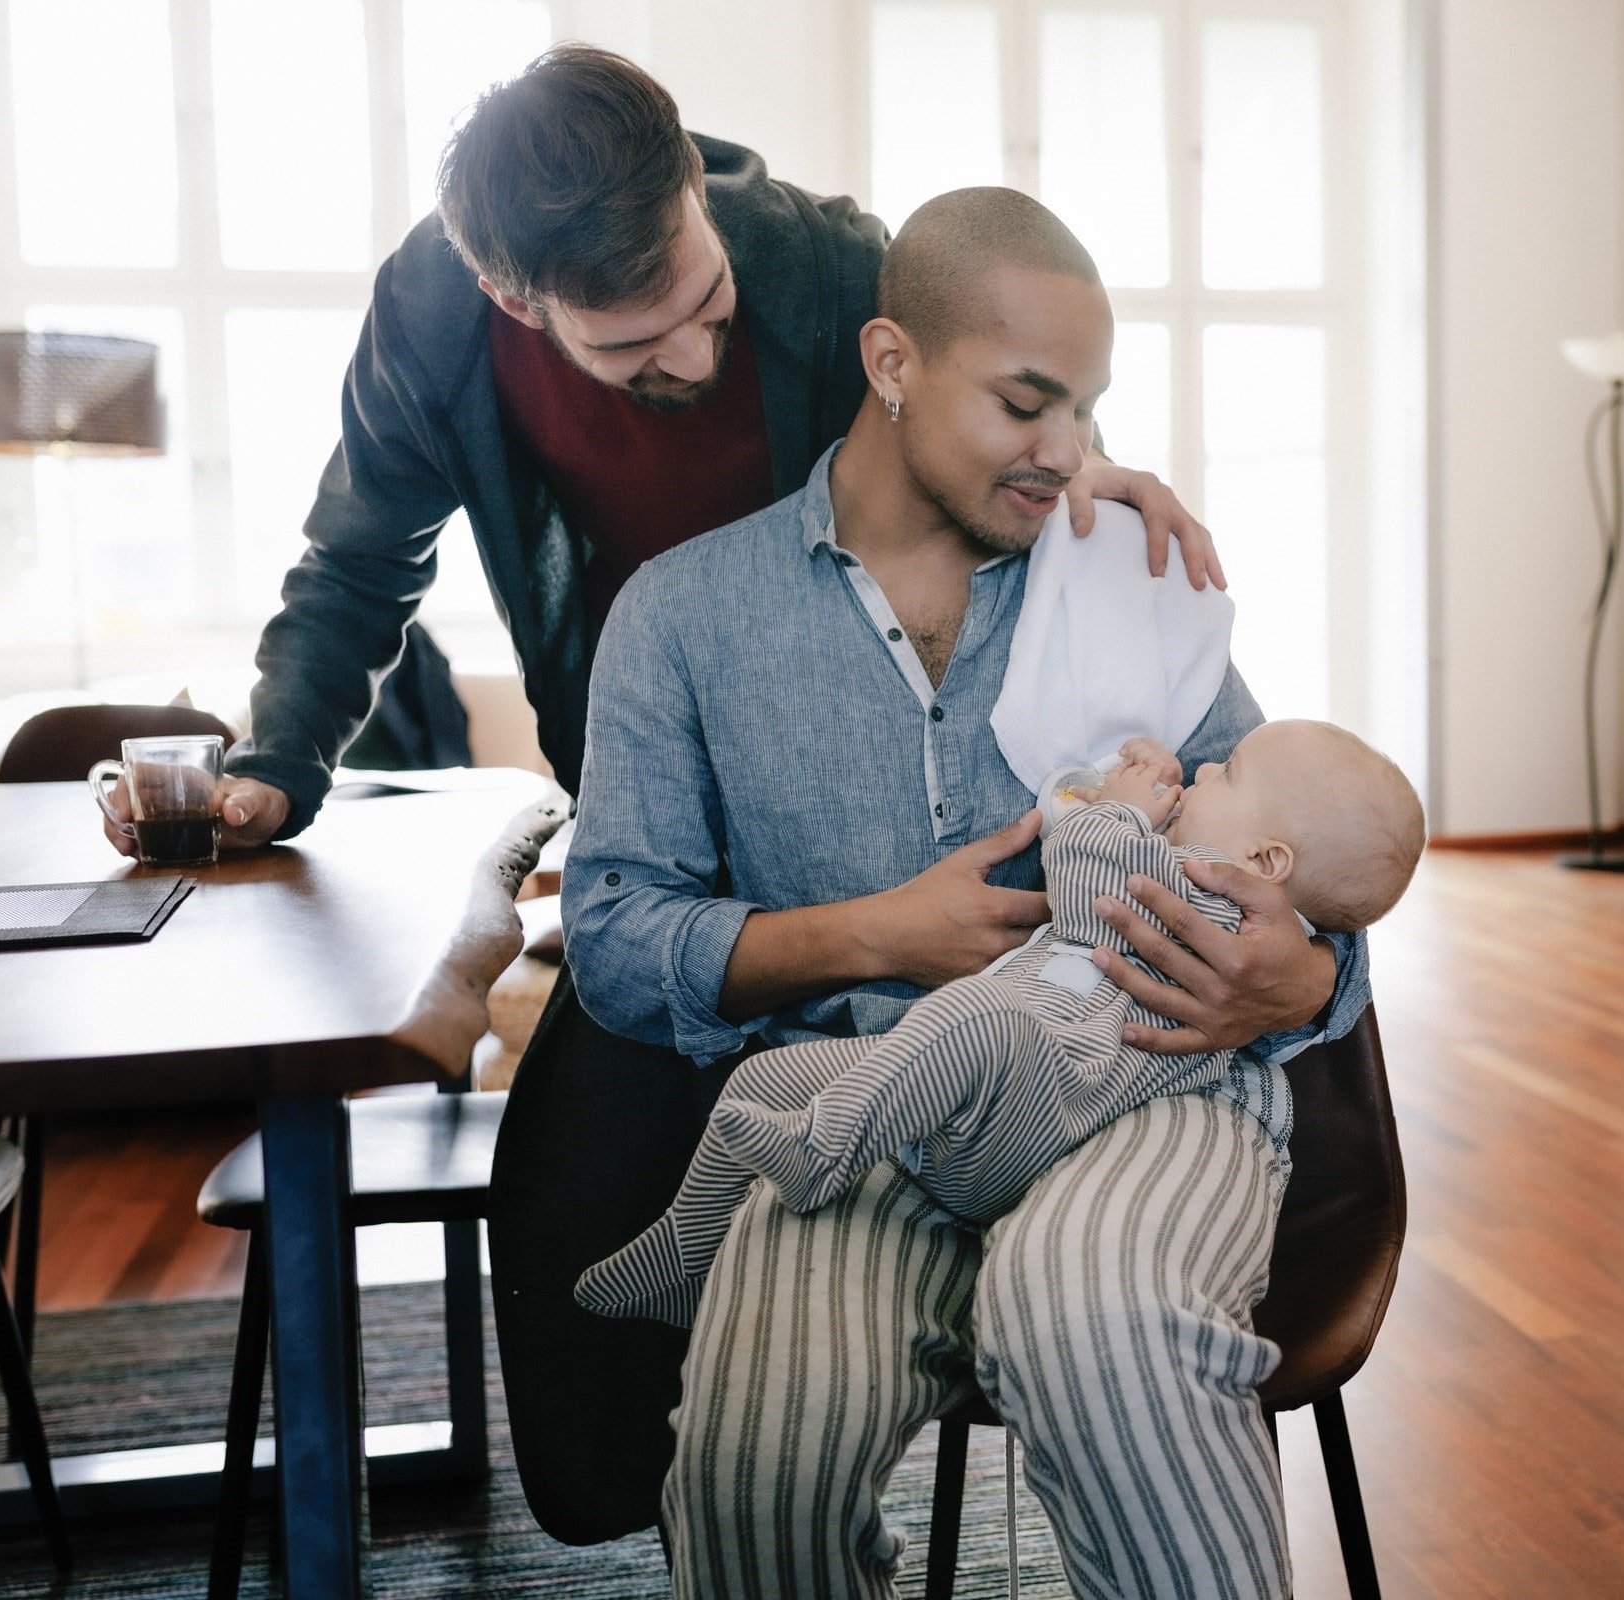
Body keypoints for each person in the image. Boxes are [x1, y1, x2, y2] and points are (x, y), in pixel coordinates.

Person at [565, 185, 1368, 1600]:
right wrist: (875, 935)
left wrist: (1314, 981)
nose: (1071, 453)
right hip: (868, 1119)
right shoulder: (681, 618)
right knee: (755, 1463)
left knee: (1099, 1325)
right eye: (1028, 404)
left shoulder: (1131, 575)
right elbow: (617, 942)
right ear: (891, 364)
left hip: (1149, 1096)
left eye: (1090, 410)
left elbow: (1300, 852)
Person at [95, 44, 1217, 856]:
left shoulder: (829, 264)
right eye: (634, 343)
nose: (690, 356)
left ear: (690, 177)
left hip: (839, 755)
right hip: (630, 745)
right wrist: (280, 768)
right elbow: (356, 563)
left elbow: (980, 382)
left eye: (709, 301)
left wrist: (1080, 460)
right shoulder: (432, 321)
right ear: (512, 299)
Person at [572, 722, 1424, 1326]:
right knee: (764, 1079)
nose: (1200, 774)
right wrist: (1103, 799)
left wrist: (1121, 806)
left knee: (972, 1015)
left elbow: (1089, 871)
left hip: (1041, 1099)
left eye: (1225, 775)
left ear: (1265, 863)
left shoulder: (1215, 906)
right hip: (995, 1077)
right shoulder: (1212, 882)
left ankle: (821, 1153)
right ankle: (686, 1255)